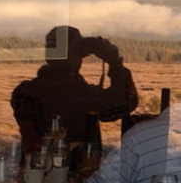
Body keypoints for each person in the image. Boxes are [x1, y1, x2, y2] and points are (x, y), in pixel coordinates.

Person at [9, 25, 139, 168]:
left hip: (34, 178)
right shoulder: (83, 96)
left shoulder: (25, 93)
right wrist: (115, 63)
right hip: (76, 177)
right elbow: (126, 101)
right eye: (78, 54)